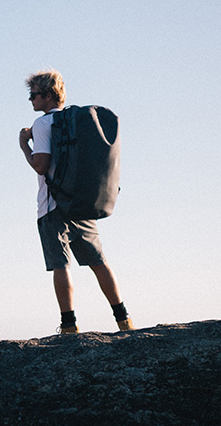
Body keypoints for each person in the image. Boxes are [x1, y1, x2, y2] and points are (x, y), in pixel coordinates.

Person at [18, 69, 134, 334]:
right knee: (98, 261)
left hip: (53, 204)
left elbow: (40, 165)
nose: (31, 100)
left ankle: (69, 325)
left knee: (60, 265)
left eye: (33, 95)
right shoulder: (74, 121)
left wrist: (24, 144)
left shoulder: (43, 124)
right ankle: (123, 319)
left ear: (47, 95)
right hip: (81, 201)